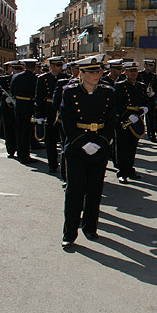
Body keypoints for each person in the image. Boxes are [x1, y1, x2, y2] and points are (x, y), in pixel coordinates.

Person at [60, 54, 115, 248]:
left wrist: (101, 142)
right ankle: (69, 233)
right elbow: (66, 121)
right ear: (81, 73)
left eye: (98, 71)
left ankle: (90, 228)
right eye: (91, 72)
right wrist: (83, 143)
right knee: (74, 192)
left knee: (94, 190)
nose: (96, 75)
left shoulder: (108, 92)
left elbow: (110, 121)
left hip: (98, 146)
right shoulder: (69, 92)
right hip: (77, 147)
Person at [114, 61, 149, 184]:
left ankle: (129, 169)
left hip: (137, 118)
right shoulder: (119, 86)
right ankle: (122, 172)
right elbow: (116, 105)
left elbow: (146, 100)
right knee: (122, 147)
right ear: (126, 73)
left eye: (135, 71)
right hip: (124, 119)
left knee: (132, 146)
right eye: (130, 71)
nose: (133, 73)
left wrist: (145, 108)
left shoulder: (141, 86)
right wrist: (126, 116)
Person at [34, 56, 67, 175]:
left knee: (63, 140)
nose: (60, 68)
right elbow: (38, 97)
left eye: (61, 65)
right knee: (50, 141)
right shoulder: (43, 79)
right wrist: (39, 115)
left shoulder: (65, 78)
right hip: (48, 111)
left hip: (61, 111)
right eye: (58, 65)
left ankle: (65, 166)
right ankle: (52, 164)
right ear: (51, 66)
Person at [53, 61, 81, 187]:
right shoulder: (63, 83)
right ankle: (66, 178)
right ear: (71, 70)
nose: (78, 71)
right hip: (67, 121)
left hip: (85, 124)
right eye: (76, 69)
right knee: (67, 148)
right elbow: (56, 102)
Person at [10, 59, 39, 164]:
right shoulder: (35, 78)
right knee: (27, 133)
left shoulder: (16, 77)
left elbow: (12, 92)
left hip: (18, 105)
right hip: (29, 106)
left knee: (19, 131)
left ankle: (20, 153)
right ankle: (25, 156)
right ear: (34, 67)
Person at [0, 61, 20, 158]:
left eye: (19, 68)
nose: (17, 70)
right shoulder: (3, 79)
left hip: (19, 108)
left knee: (19, 129)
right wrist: (4, 98)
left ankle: (20, 148)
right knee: (8, 129)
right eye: (14, 68)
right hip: (7, 108)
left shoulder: (22, 79)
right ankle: (11, 149)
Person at [137, 59, 157, 143]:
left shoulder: (153, 76)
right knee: (139, 117)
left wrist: (154, 93)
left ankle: (152, 135)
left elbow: (156, 87)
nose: (150, 67)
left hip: (150, 99)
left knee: (152, 118)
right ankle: (138, 133)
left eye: (152, 66)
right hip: (141, 99)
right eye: (149, 65)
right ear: (144, 65)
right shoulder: (139, 74)